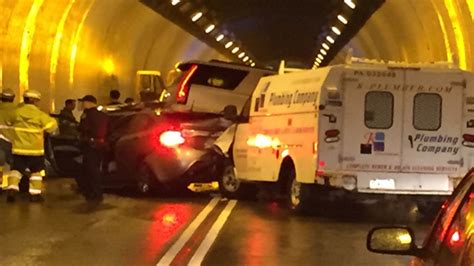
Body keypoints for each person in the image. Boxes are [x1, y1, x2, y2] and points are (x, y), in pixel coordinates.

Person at [5, 90, 57, 203]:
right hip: (35, 150)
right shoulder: (40, 115)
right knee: (36, 172)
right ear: (36, 101)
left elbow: (8, 123)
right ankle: (35, 194)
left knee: (16, 170)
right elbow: (52, 126)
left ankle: (12, 189)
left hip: (18, 148)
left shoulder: (16, 112)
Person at [77, 95, 108, 202]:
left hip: (90, 145)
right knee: (96, 169)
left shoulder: (87, 115)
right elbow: (110, 129)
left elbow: (82, 128)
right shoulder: (103, 115)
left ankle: (93, 193)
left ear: (88, 103)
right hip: (101, 145)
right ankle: (97, 192)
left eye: (83, 102)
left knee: (90, 170)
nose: (82, 104)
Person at [0, 89, 16, 189]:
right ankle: (14, 187)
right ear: (13, 98)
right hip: (12, 142)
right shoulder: (17, 111)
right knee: (15, 165)